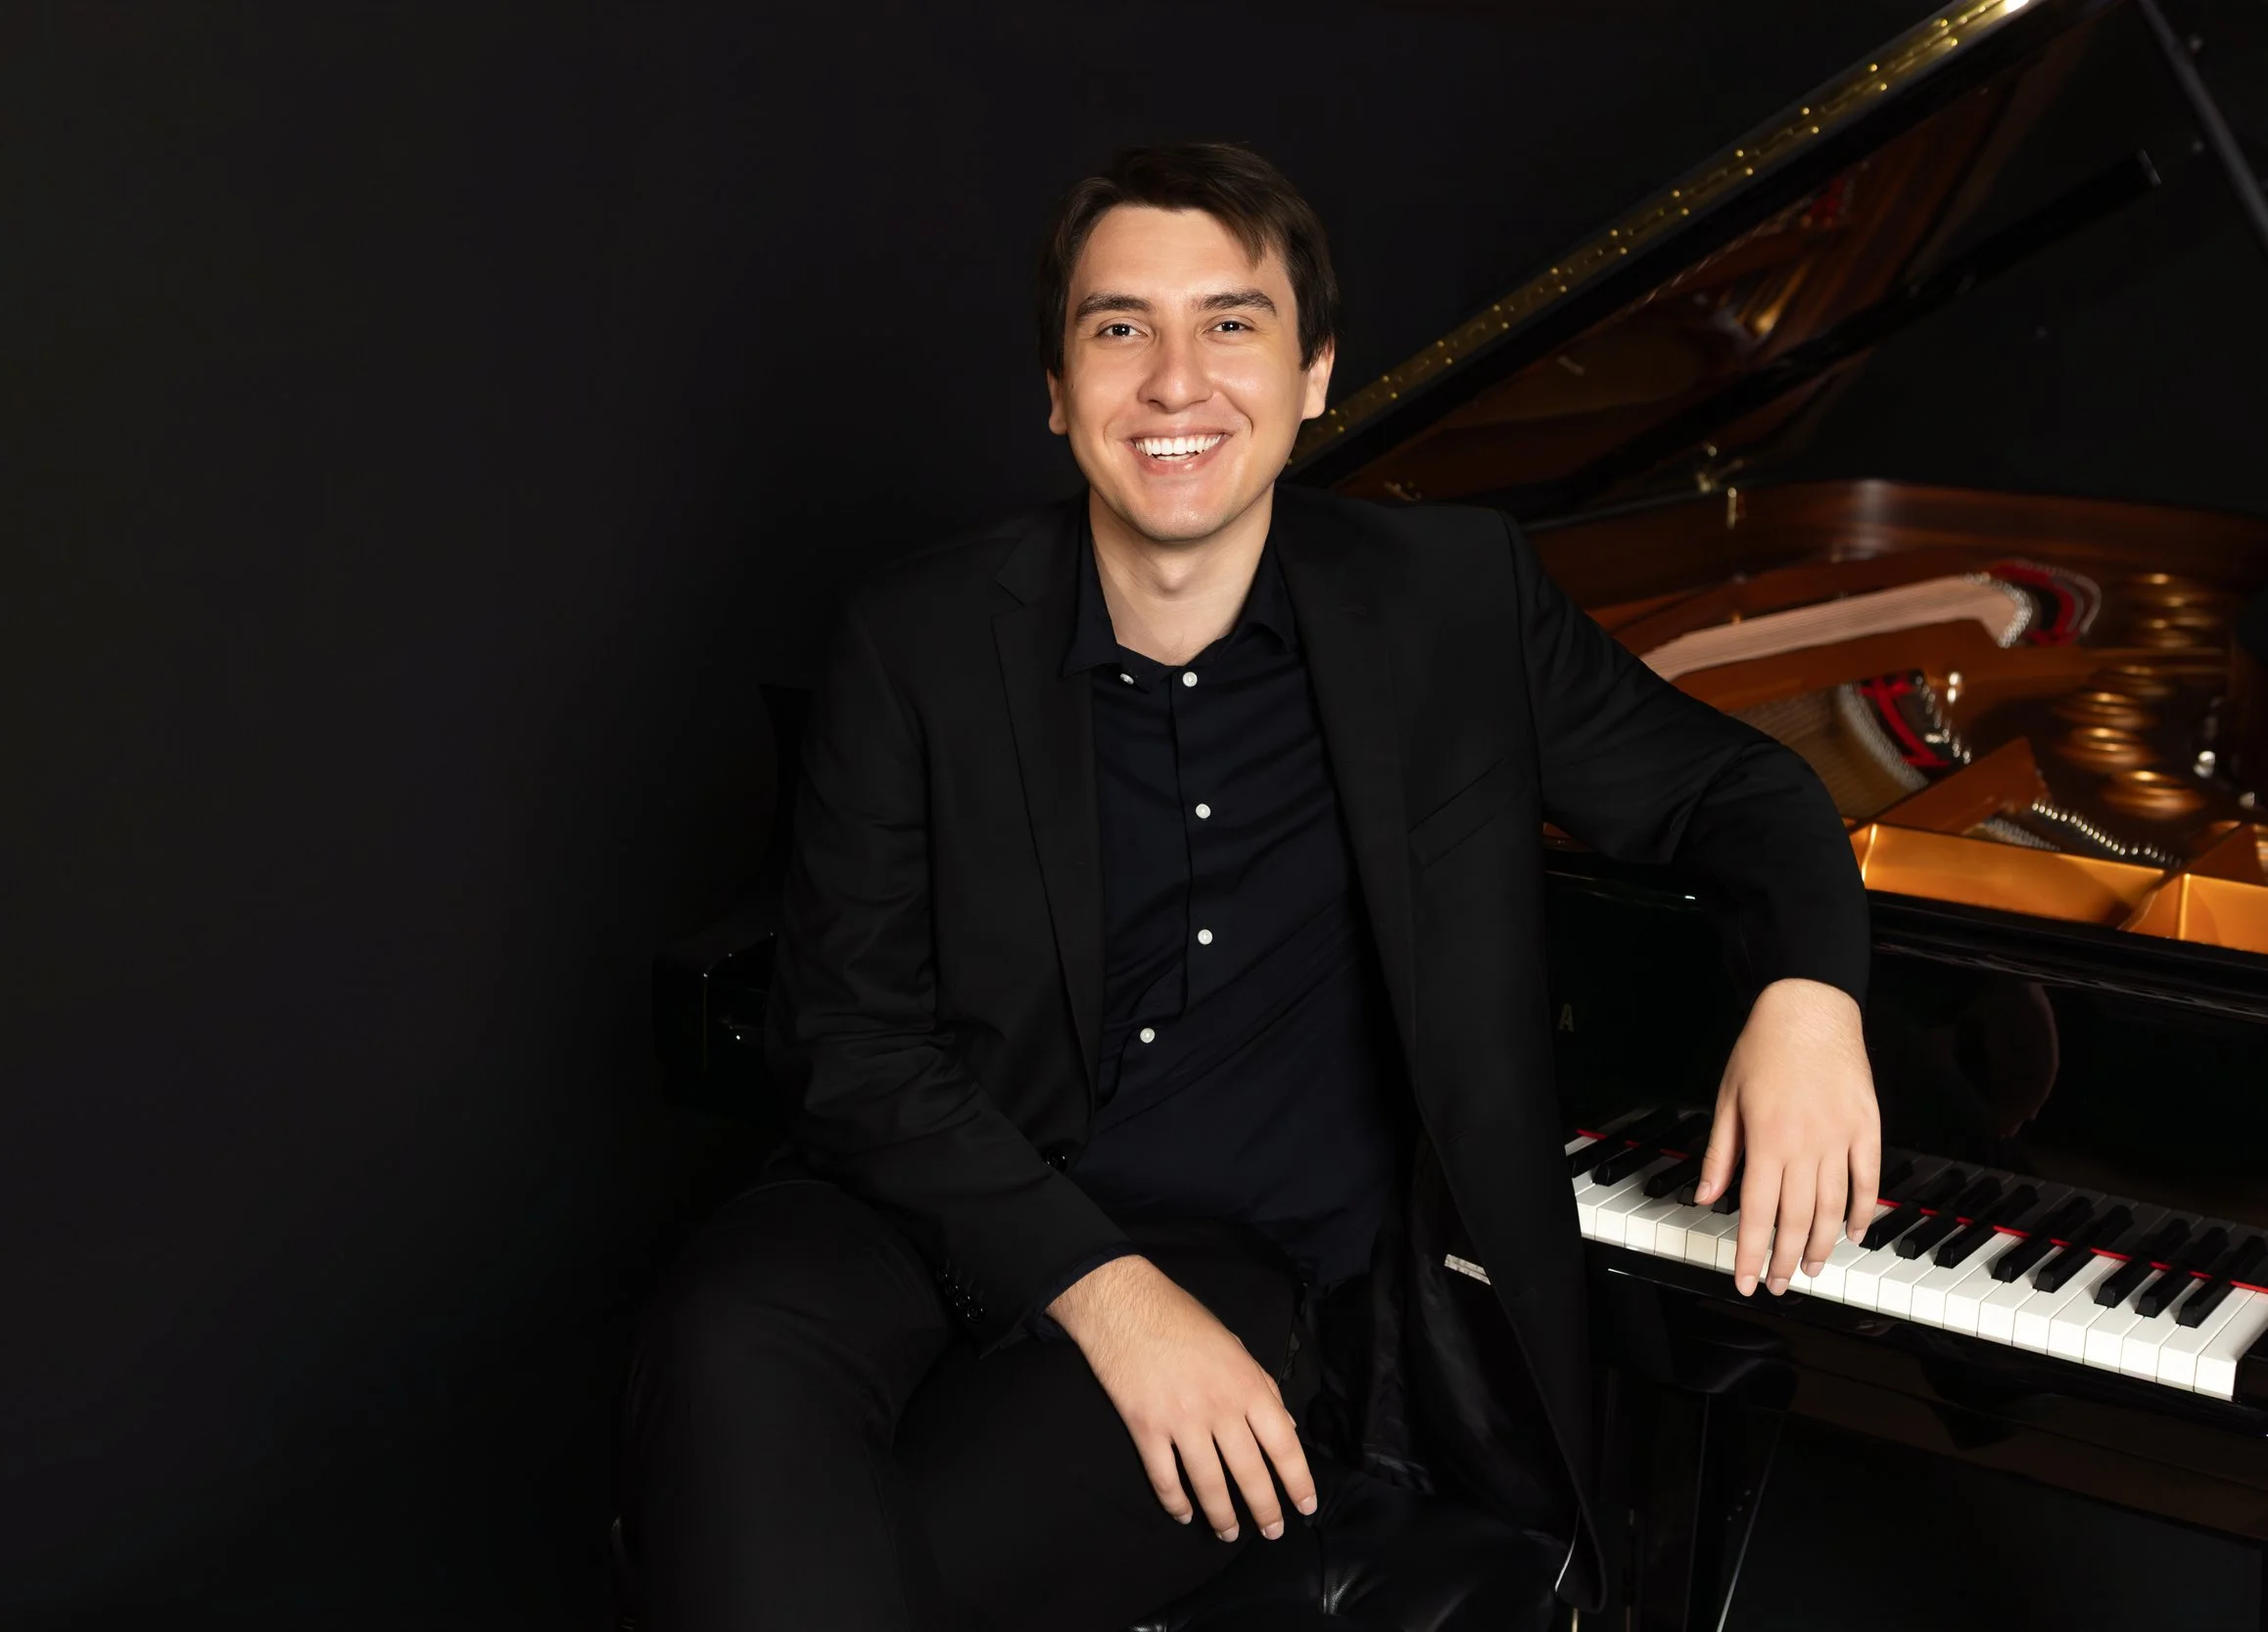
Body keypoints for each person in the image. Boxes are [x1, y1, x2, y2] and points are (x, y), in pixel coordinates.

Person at [620, 142, 1879, 1632]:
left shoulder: (1452, 603)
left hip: (1242, 1268)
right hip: (910, 1203)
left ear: (1317, 373)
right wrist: (1107, 1288)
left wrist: (1809, 999)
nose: (1174, 381)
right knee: (718, 1339)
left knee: (882, 1566)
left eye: (1231, 323)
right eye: (1118, 327)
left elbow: (1740, 786)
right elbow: (851, 1042)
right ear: (1054, 386)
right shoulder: (919, 639)